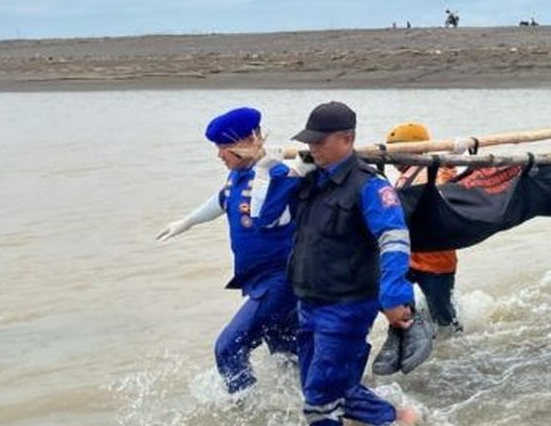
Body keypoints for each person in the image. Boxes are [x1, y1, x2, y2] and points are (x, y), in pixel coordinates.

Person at [255, 102, 418, 426]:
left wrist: (393, 293)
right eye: (309, 141)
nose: (312, 147)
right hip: (309, 299)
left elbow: (394, 238)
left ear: (346, 139)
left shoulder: (369, 185)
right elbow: (267, 219)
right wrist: (282, 175)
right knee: (329, 388)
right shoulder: (309, 181)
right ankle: (399, 418)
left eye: (319, 141)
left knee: (319, 399)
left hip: (348, 303)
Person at [156, 107, 297, 395]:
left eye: (223, 147)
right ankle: (311, 406)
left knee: (228, 347)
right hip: (256, 280)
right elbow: (223, 199)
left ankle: (244, 410)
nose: (219, 155)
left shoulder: (277, 174)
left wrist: (266, 169)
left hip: (279, 281)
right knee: (289, 356)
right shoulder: (237, 175)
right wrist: (188, 221)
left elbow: (262, 214)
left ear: (247, 141)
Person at [390, 122, 463, 333]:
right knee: (399, 300)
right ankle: (412, 331)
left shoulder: (434, 170)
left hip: (436, 260)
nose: (394, 158)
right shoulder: (403, 177)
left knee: (443, 314)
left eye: (398, 150)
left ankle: (456, 343)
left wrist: (452, 155)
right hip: (409, 256)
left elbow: (447, 182)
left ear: (419, 149)